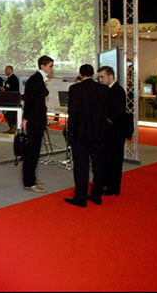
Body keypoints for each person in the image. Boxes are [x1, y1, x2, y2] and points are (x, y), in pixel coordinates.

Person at [64, 64, 110, 207]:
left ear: (80, 74)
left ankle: (80, 198)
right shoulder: (103, 89)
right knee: (98, 166)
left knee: (81, 167)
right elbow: (106, 112)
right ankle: (96, 195)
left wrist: (69, 132)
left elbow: (73, 113)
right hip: (99, 134)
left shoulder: (75, 89)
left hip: (80, 134)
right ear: (93, 74)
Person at [21, 55, 54, 193]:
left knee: (34, 151)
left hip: (37, 119)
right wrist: (26, 119)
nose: (52, 69)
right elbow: (29, 101)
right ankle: (29, 182)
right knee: (32, 152)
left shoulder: (39, 79)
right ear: (42, 66)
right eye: (50, 66)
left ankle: (32, 177)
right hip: (34, 120)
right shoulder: (35, 80)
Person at [97, 65, 128, 195]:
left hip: (115, 132)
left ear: (111, 77)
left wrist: (107, 119)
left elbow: (118, 111)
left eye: (102, 77)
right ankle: (106, 182)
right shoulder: (106, 90)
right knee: (106, 158)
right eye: (99, 77)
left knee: (114, 160)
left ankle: (113, 187)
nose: (100, 80)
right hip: (107, 131)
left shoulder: (118, 91)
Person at [2, 65, 20, 133]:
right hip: (8, 100)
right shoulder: (9, 78)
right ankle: (11, 127)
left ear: (11, 70)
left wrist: (5, 89)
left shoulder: (14, 78)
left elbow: (12, 89)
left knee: (11, 114)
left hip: (12, 100)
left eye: (7, 69)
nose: (5, 71)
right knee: (6, 113)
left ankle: (13, 127)